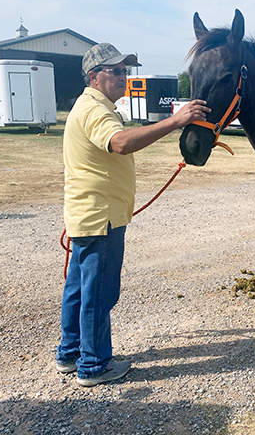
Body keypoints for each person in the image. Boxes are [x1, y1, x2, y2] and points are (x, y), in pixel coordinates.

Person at [56, 43, 211, 387]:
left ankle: (70, 353)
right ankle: (94, 365)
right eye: (116, 71)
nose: (124, 77)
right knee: (98, 292)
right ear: (94, 77)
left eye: (126, 71)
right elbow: (121, 143)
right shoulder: (94, 109)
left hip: (89, 214)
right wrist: (176, 121)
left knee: (79, 289)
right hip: (101, 217)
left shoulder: (91, 106)